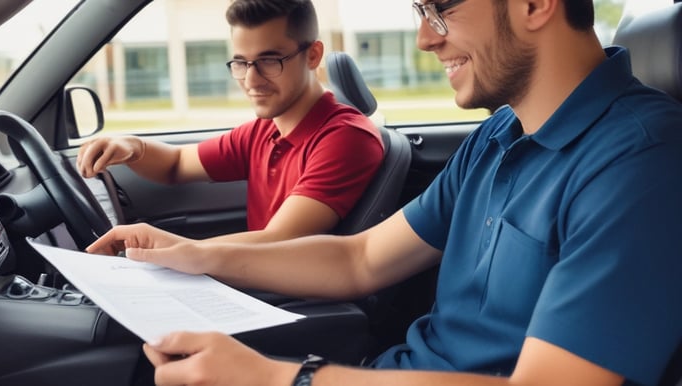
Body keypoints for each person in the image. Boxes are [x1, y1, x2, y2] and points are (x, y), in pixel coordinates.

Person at [88, 0, 682, 385]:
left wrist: (282, 379)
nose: (425, 38)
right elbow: (361, 257)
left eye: (442, 9)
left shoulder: (643, 162)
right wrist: (193, 256)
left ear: (534, 4)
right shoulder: (499, 134)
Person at [76, 0, 384, 243]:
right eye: (241, 62)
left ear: (313, 55)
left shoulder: (346, 138)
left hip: (297, 307)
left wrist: (165, 248)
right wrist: (134, 146)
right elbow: (176, 164)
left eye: (268, 60)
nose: (251, 79)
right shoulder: (264, 130)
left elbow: (277, 243)